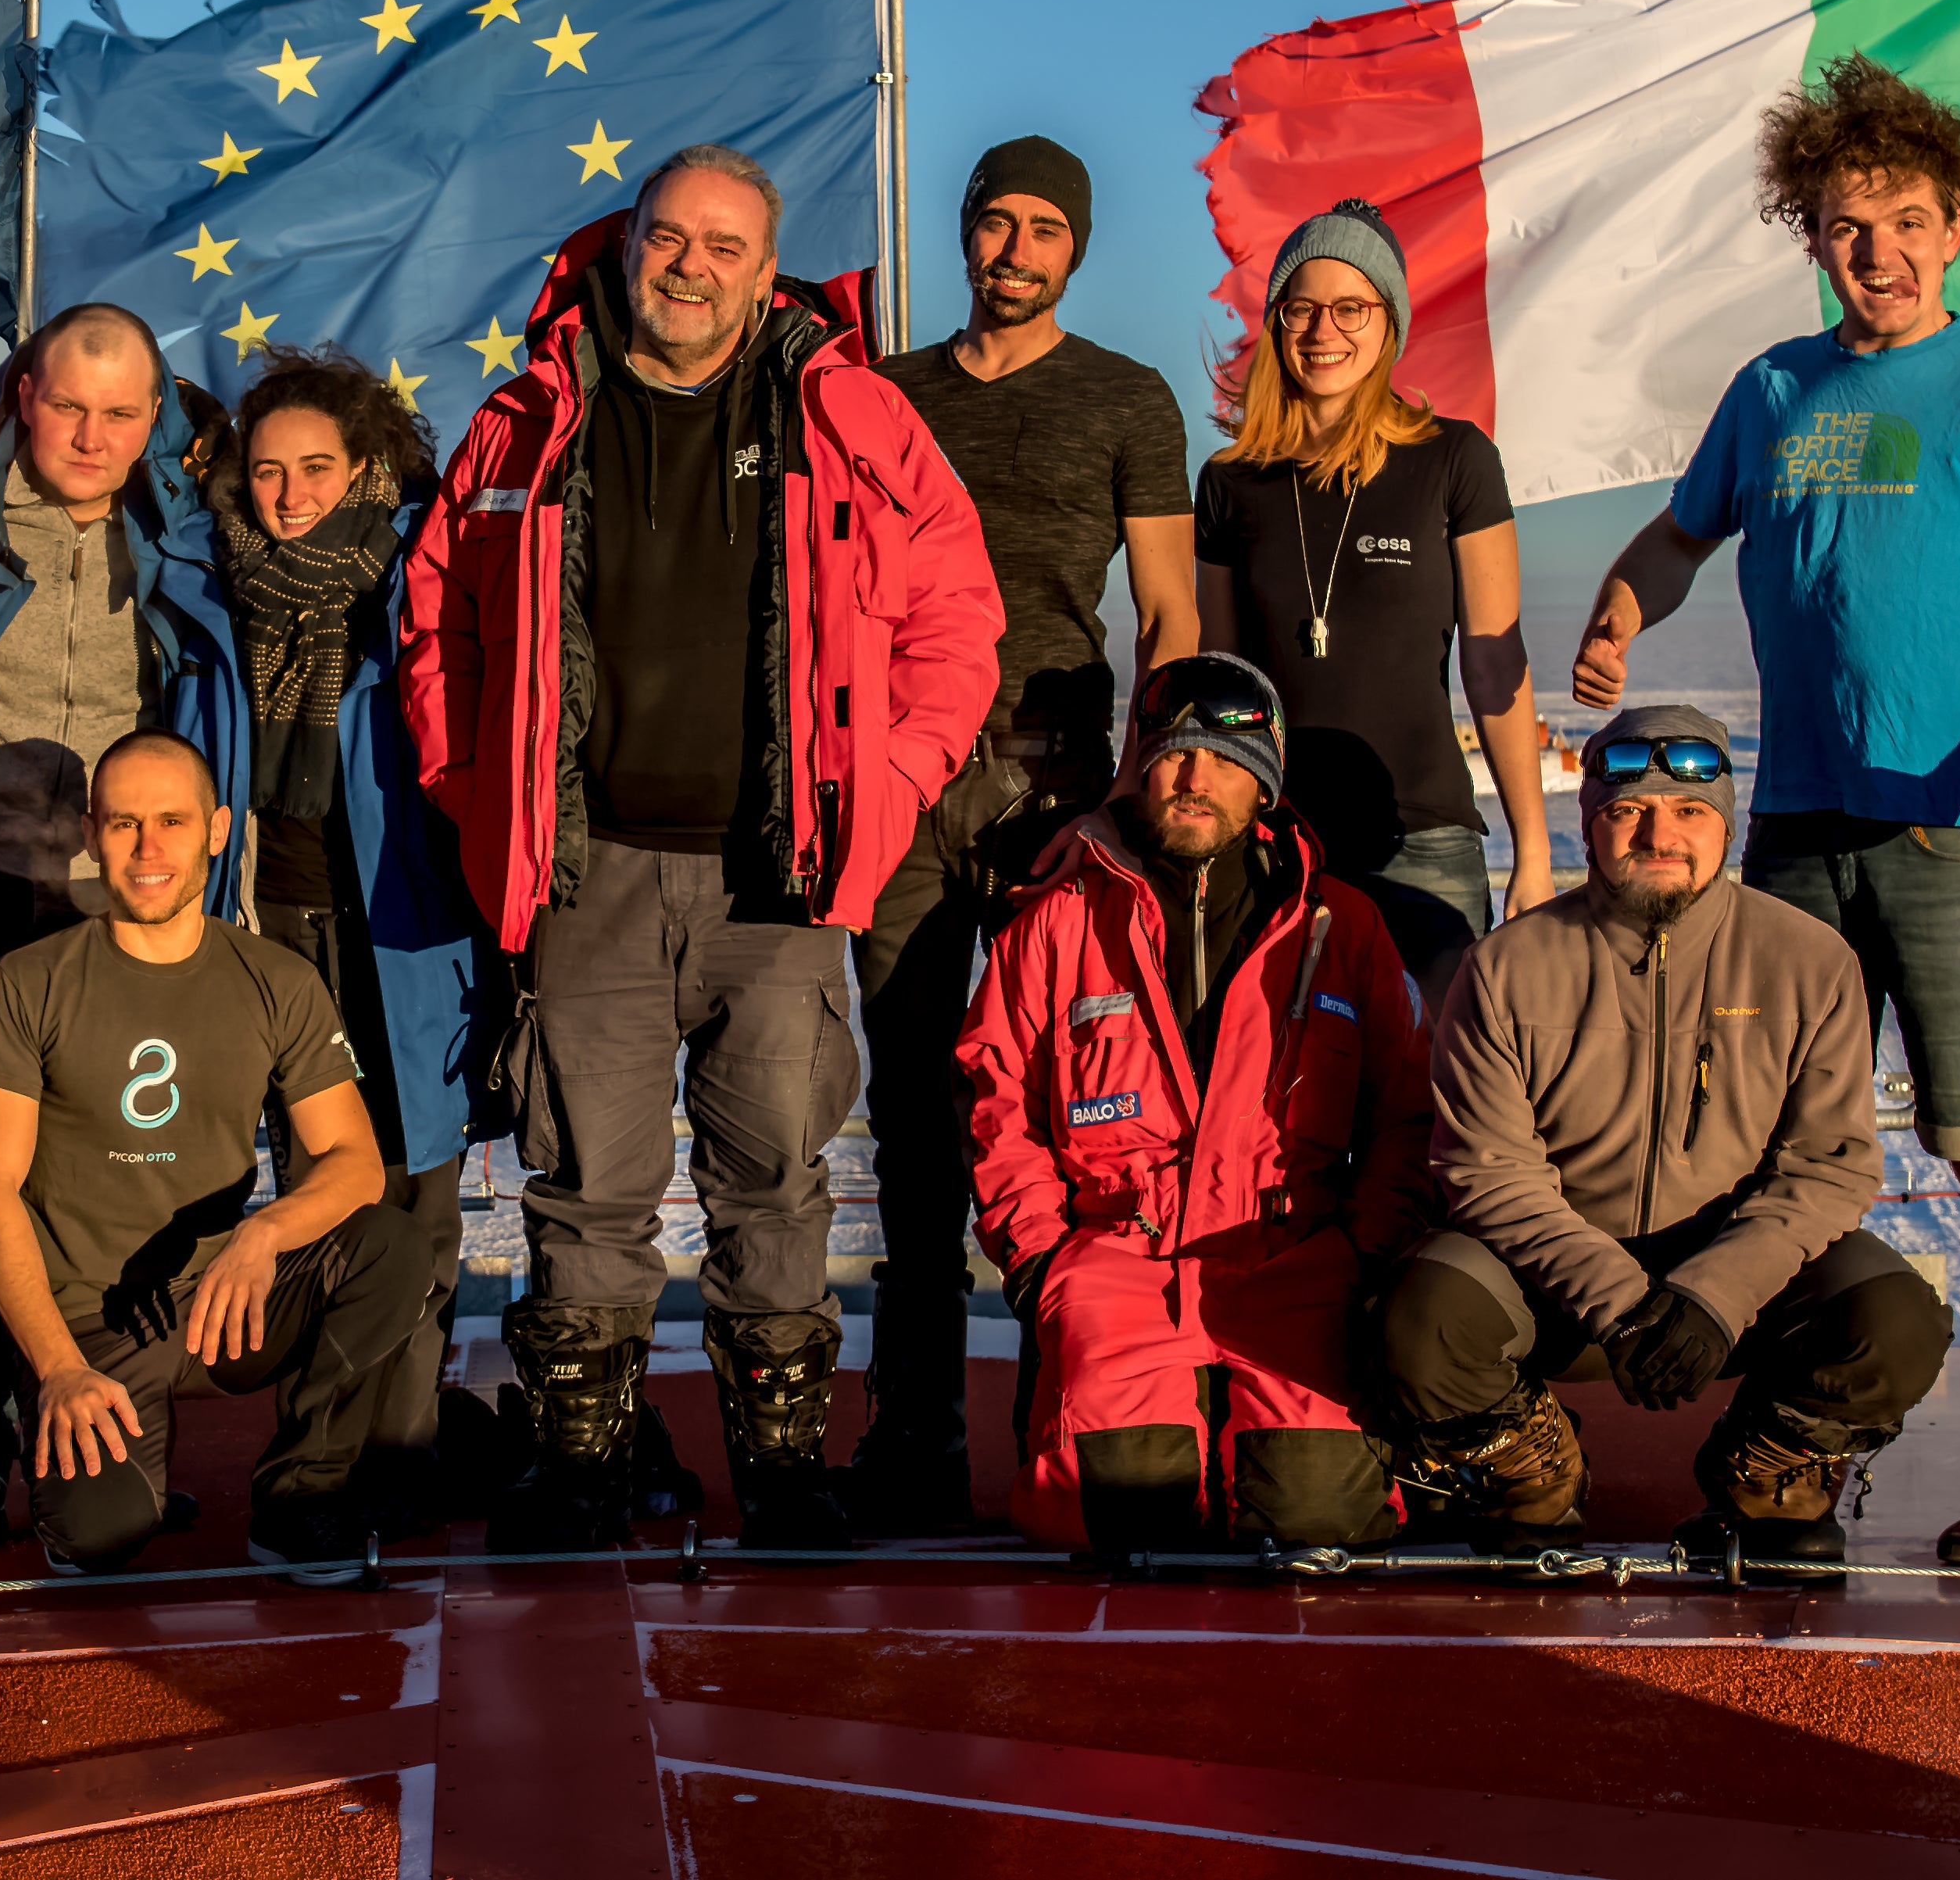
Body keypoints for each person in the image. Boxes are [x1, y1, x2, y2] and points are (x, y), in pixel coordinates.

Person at [402, 150, 1001, 1553]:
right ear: (625, 249)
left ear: (763, 263)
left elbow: (953, 621)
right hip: (586, 865)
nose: (689, 266)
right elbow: (439, 621)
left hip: (778, 877)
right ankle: (577, 1468)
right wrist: (468, 778)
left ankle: (783, 1470)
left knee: (776, 1176)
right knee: (583, 1186)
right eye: (666, 238)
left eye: (721, 247)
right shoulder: (526, 417)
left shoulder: (848, 413)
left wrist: (893, 780)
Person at [1572, 57, 1960, 1569]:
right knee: (1764, 1152)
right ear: (1808, 236)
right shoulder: (1773, 390)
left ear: (1955, 231)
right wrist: (1620, 610)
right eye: (1838, 225)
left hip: (1949, 830)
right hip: (1795, 834)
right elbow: (1680, 537)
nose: (1871, 249)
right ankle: (1780, 1463)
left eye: (1899, 222)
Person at [1381, 705, 1952, 1572]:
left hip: (1736, 1281)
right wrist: (1621, 1299)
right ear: (1589, 824)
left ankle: (1767, 1470)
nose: (1658, 834)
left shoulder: (1808, 960)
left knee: (1895, 1321)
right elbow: (1488, 1173)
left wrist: (1710, 1298)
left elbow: (1826, 1168)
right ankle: (1529, 1471)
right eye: (1625, 811)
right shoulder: (1505, 966)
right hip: (1552, 1283)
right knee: (1418, 1317)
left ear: (1723, 822)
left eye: (1688, 812)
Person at [849, 134, 1200, 1527]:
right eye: (992, 224)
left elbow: (1167, 613)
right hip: (901, 792)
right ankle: (915, 1439)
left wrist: (1138, 800)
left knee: (1084, 1124)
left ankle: (1086, 1417)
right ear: (961, 234)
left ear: (1076, 249)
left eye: (1042, 230)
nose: (1013, 251)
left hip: (1063, 796)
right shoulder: (881, 395)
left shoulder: (1125, 398)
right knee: (914, 1123)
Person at [0, 303, 246, 1552]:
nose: (91, 434)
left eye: (121, 412)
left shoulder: (176, 531)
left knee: (102, 1187)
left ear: (155, 421)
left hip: (110, 894)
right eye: (69, 403)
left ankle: (96, 1436)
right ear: (23, 393)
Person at [957, 654, 1428, 1558]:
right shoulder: (1059, 919)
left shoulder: (1339, 926)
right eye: (1172, 754)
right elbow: (996, 1094)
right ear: (1140, 768)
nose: (1192, 779)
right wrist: (1039, 1260)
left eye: (1222, 759)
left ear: (1267, 785)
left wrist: (1367, 1249)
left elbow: (1406, 1110)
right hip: (1114, 1263)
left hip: (1292, 1261)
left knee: (1319, 1519)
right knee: (1118, 1516)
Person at [0, 734, 431, 1583]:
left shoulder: (274, 979)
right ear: (87, 832)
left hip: (224, 1302)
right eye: (124, 823)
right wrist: (57, 1365)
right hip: (88, 1328)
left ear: (216, 830)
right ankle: (96, 1456)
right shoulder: (29, 981)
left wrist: (261, 1236)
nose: (148, 849)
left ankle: (299, 1497)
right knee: (102, 1539)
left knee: (387, 1244)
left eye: (171, 821)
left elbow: (352, 1159)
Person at [201, 346, 484, 1524]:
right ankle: (322, 1443)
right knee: (316, 1190)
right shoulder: (209, 584)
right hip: (271, 927)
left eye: (317, 466)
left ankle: (406, 1448)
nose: (290, 495)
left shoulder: (417, 576)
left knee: (417, 1195)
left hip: (404, 927)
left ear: (366, 465)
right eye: (266, 471)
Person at [1193, 197, 1555, 990]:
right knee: (1282, 1099)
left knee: (1434, 1093)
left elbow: (1495, 666)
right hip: (1274, 845)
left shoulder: (1453, 459)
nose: (1323, 331)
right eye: (1301, 307)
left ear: (1387, 321)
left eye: (1350, 307)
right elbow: (1218, 678)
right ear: (1275, 320)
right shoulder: (1229, 481)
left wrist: (1532, 853)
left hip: (1421, 844)